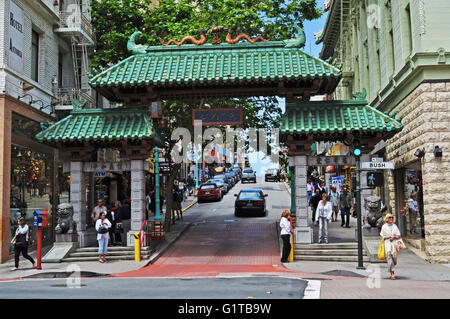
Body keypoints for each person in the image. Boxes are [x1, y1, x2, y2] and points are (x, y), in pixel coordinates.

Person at [380, 213, 401, 280]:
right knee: (389, 257)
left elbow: (398, 235)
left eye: (392, 217)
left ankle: (392, 267)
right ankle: (392, 273)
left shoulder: (395, 226)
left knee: (394, 259)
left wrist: (394, 237)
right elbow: (382, 236)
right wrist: (389, 237)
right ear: (386, 219)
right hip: (387, 244)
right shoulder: (384, 226)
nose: (391, 219)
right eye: (389, 217)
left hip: (394, 244)